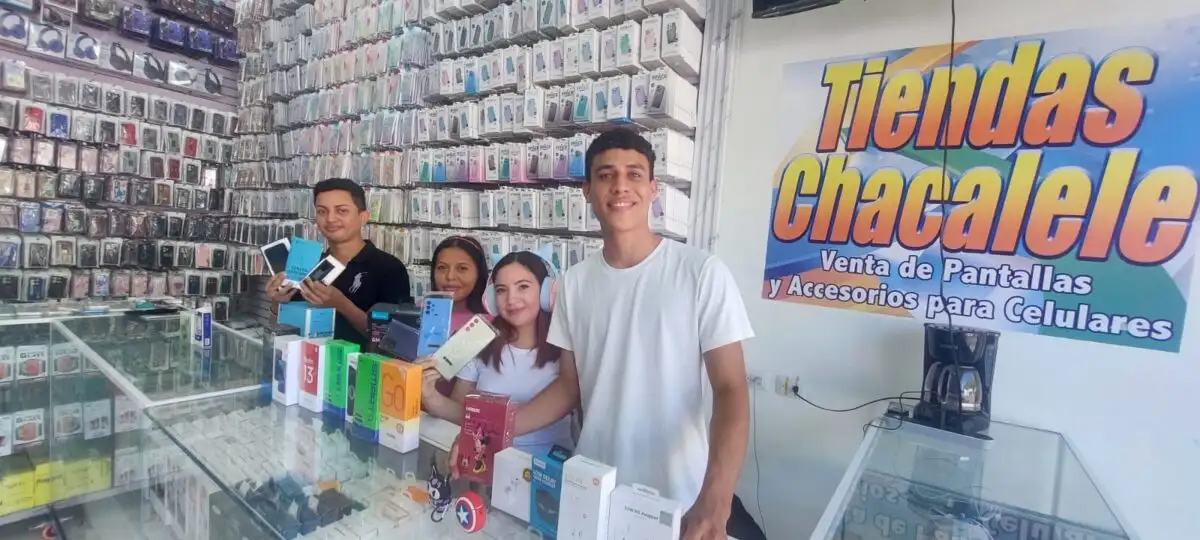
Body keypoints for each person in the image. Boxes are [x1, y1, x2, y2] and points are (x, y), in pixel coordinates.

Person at [454, 129, 767, 540]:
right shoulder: (575, 284)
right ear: (587, 190)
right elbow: (568, 388)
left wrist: (717, 497)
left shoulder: (701, 273)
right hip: (593, 490)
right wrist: (486, 436)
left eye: (634, 174)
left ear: (653, 188)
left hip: (678, 501)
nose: (620, 186)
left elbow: (730, 389)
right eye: (606, 175)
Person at [419, 249, 573, 456]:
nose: (511, 299)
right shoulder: (478, 341)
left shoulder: (567, 347)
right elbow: (463, 415)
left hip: (549, 467)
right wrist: (430, 396)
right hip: (487, 462)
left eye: (523, 287)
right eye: (501, 290)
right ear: (491, 298)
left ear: (547, 292)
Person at [266, 178, 413, 347]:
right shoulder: (308, 265)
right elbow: (280, 329)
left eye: (341, 211)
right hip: (305, 359)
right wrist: (277, 303)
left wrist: (341, 305)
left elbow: (395, 341)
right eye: (322, 211)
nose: (330, 219)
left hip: (360, 363)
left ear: (363, 217)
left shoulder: (389, 268)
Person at [429, 236, 490, 332]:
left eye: (462, 268)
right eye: (442, 267)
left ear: (479, 273)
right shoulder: (418, 313)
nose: (450, 276)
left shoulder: (492, 321)